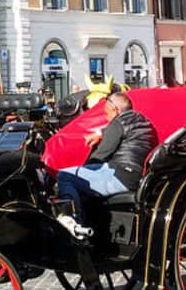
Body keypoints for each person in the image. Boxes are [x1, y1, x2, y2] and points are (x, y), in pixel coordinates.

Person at [55, 92, 157, 239]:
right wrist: (102, 133)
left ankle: (77, 232)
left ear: (115, 110)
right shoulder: (144, 122)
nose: (106, 118)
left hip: (119, 174)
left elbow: (100, 156)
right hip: (135, 176)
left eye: (107, 113)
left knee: (65, 176)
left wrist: (83, 168)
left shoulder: (117, 123)